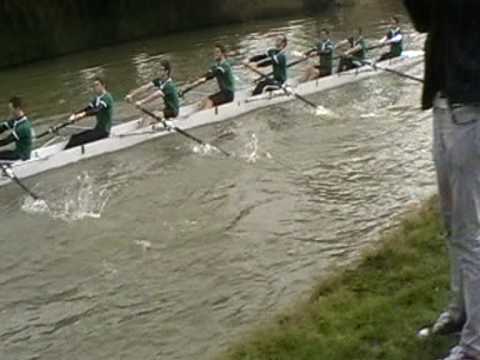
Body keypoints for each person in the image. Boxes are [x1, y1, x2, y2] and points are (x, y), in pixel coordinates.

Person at [405, 1, 480, 359]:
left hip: (471, 107)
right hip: (444, 101)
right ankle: (460, 311)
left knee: (471, 232)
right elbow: (424, 21)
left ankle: (474, 345)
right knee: (453, 226)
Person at [65, 77, 114, 149]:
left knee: (77, 140)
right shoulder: (97, 98)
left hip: (104, 131)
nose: (95, 87)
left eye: (97, 85)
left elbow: (97, 110)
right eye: (94, 86)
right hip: (97, 129)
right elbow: (88, 108)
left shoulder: (107, 98)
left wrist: (83, 115)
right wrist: (75, 115)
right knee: (74, 137)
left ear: (103, 86)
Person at [188, 44, 235, 110]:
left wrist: (205, 78)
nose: (215, 54)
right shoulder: (216, 65)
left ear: (223, 54)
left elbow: (215, 73)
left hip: (228, 94)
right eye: (214, 52)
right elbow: (208, 73)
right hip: (223, 93)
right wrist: (198, 79)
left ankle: (204, 117)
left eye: (217, 52)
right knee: (204, 101)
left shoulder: (225, 65)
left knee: (209, 101)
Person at [0, 96, 33, 161]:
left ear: (17, 109)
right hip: (16, 152)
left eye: (11, 109)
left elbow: (6, 141)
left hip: (22, 156)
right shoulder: (15, 120)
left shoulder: (23, 127)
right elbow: (2, 128)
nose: (9, 111)